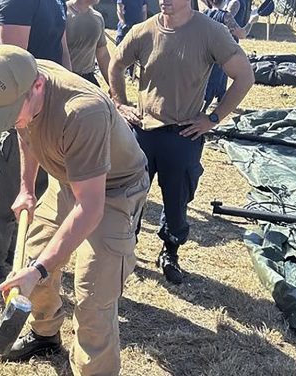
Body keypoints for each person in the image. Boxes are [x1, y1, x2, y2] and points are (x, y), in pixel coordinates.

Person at [0, 44, 149, 375]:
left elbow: (91, 207)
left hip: (113, 191)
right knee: (33, 258)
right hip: (67, 178)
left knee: (93, 298)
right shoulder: (15, 75)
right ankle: (45, 334)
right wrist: (26, 188)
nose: (12, 121)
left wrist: (39, 269)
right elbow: (26, 132)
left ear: (38, 85)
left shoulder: (83, 112)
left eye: (13, 112)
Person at [109, 0, 254, 284]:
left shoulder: (211, 32)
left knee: (177, 201)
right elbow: (116, 64)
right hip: (143, 132)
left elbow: (244, 76)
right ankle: (125, 251)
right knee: (129, 199)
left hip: (183, 134)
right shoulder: (143, 31)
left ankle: (170, 250)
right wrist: (120, 103)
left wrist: (212, 118)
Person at [0, 0, 72, 290]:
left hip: (47, 107)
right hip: (20, 112)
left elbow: (61, 48)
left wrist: (65, 92)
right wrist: (27, 118)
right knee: (9, 190)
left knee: (37, 190)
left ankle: (14, 254)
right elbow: (12, 65)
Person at [203, 0, 257, 110]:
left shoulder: (205, 13)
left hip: (210, 53)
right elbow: (241, 33)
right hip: (223, 53)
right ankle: (200, 116)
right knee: (210, 88)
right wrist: (252, 21)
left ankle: (219, 101)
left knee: (218, 82)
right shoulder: (233, 6)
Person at [66, 0, 111, 86]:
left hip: (88, 79)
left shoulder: (97, 18)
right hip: (65, 79)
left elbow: (103, 55)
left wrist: (114, 86)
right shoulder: (63, 14)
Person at [116, 0, 147, 78]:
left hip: (137, 27)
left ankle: (131, 73)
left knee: (136, 52)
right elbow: (120, 10)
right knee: (122, 52)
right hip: (125, 28)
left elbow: (144, 11)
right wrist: (123, 23)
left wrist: (143, 24)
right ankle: (119, 73)